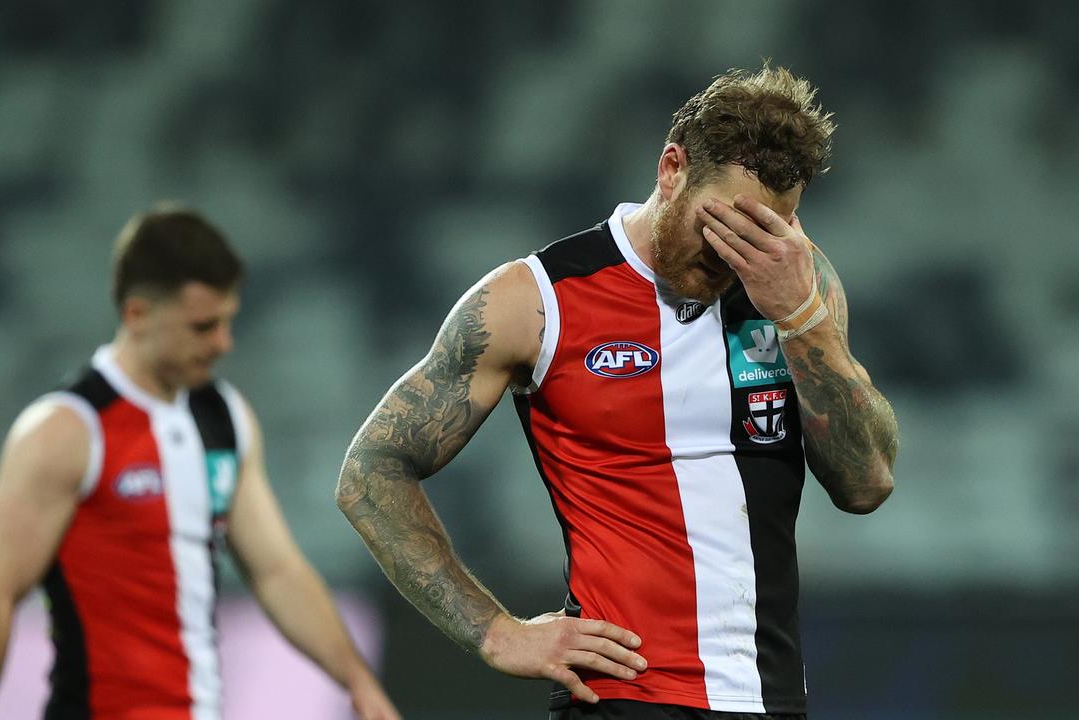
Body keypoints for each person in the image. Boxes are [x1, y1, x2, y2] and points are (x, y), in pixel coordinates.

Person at [336, 63, 899, 720]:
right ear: (672, 169)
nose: (733, 258)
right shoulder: (536, 301)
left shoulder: (795, 286)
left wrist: (802, 319)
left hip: (770, 699)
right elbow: (370, 470)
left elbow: (866, 484)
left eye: (762, 235)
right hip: (622, 701)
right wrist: (494, 632)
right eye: (720, 227)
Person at [0, 207, 400, 720]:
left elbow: (277, 572)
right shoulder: (66, 431)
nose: (223, 343)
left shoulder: (225, 418)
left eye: (228, 322)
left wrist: (357, 680)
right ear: (137, 314)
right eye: (203, 326)